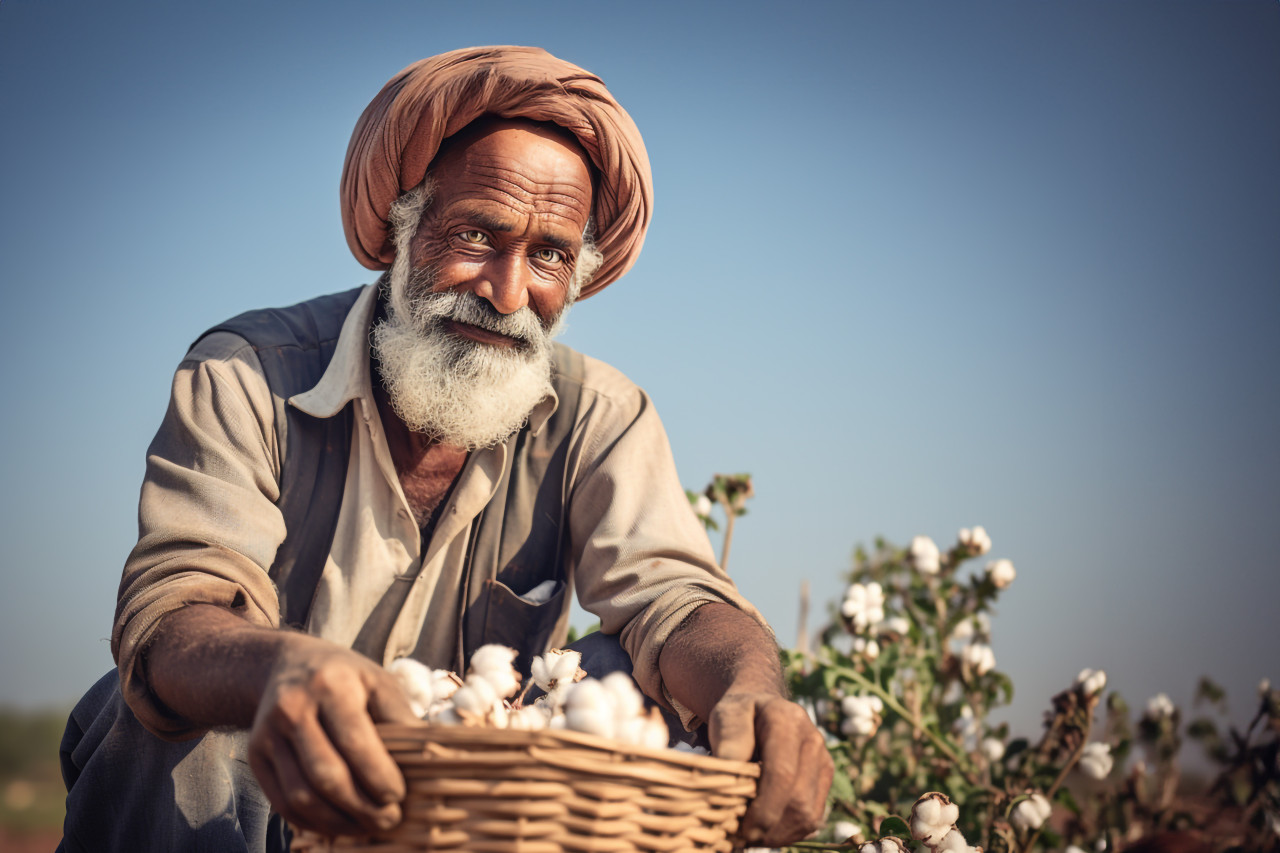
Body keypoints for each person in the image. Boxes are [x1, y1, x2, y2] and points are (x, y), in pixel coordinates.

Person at [58, 46, 833, 852]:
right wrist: (279, 671)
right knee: (187, 705)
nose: (507, 292)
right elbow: (174, 613)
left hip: (471, 807)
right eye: (475, 234)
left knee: (617, 681)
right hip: (261, 783)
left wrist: (753, 689)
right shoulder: (249, 372)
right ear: (398, 228)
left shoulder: (601, 416)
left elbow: (675, 599)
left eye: (549, 255)